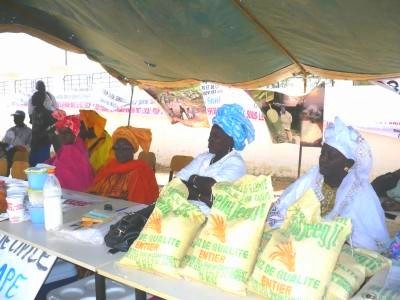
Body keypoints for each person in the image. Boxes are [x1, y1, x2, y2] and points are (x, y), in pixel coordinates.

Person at [268, 117, 390, 252]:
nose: (323, 159)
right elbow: (283, 207)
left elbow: (371, 242)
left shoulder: (360, 192)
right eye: (322, 153)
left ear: (348, 164)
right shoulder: (313, 177)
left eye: (330, 156)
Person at [177, 103, 255, 214]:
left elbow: (214, 188)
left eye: (216, 137)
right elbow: (178, 181)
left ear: (231, 141)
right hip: (185, 209)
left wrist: (193, 179)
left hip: (209, 218)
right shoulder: (204, 157)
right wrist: (201, 195)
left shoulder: (236, 163)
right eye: (210, 136)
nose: (210, 140)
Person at [88, 126, 159, 204]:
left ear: (133, 149)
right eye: (116, 148)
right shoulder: (109, 166)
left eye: (124, 148)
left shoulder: (139, 171)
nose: (120, 152)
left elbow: (137, 204)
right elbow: (95, 190)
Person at [46, 110, 94, 191]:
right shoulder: (71, 146)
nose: (62, 136)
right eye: (60, 133)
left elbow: (64, 173)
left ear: (75, 133)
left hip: (72, 193)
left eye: (67, 133)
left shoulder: (72, 150)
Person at [29, 90, 56, 166]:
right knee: (33, 165)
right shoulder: (34, 111)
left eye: (35, 97)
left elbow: (54, 127)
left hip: (43, 143)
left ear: (41, 100)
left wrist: (46, 132)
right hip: (35, 143)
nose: (33, 99)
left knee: (42, 166)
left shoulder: (49, 113)